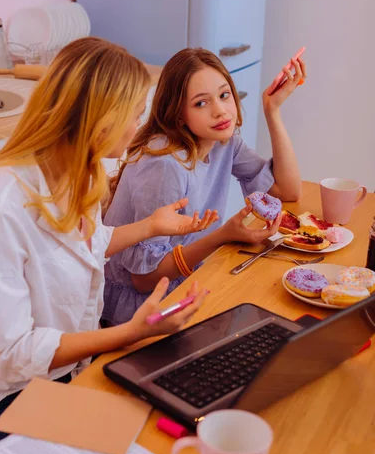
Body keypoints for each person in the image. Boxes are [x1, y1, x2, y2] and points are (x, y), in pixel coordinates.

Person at [0, 38, 214, 451]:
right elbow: (10, 352)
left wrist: (149, 227)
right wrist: (129, 333)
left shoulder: (78, 170)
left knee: (169, 432)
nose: (139, 127)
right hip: (2, 402)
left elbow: (80, 246)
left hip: (62, 375)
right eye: (134, 114)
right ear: (102, 118)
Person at [102, 47, 305, 326]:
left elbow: (288, 190)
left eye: (224, 95)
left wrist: (273, 110)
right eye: (201, 103)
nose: (220, 111)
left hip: (189, 281)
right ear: (178, 114)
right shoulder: (165, 165)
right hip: (140, 311)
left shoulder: (223, 142)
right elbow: (143, 280)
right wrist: (222, 236)